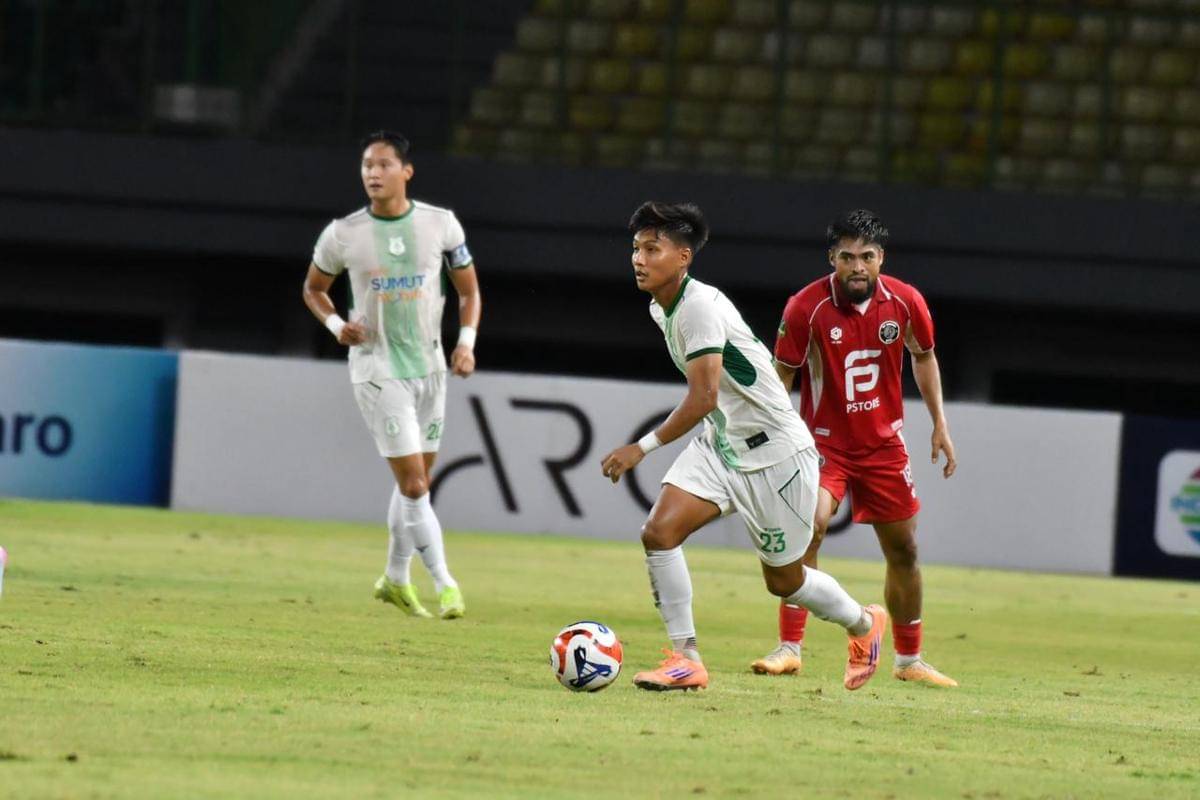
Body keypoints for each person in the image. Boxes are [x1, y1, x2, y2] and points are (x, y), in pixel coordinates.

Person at [600, 201, 887, 692]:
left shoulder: (699, 307)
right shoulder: (659, 307)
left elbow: (704, 395)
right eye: (635, 249)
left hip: (777, 455)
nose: (639, 259)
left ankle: (864, 624)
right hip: (723, 444)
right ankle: (685, 658)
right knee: (659, 533)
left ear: (684, 257)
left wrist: (641, 448)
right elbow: (714, 403)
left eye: (652, 249)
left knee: (786, 583)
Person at [752, 209, 958, 686]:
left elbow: (924, 357)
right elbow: (781, 374)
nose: (857, 266)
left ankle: (909, 662)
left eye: (867, 256)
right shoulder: (806, 307)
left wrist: (939, 424)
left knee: (903, 549)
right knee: (810, 532)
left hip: (885, 447)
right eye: (847, 257)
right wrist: (767, 430)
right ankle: (789, 648)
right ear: (833, 259)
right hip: (823, 447)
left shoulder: (906, 302)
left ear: (881, 258)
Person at [302, 130, 481, 620]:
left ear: (406, 171)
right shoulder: (343, 233)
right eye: (366, 166)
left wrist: (464, 344)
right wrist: (337, 324)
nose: (372, 174)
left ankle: (395, 579)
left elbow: (468, 292)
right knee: (417, 488)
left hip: (430, 368)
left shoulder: (440, 224)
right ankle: (446, 584)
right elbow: (314, 289)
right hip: (377, 370)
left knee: (415, 482)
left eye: (383, 165)